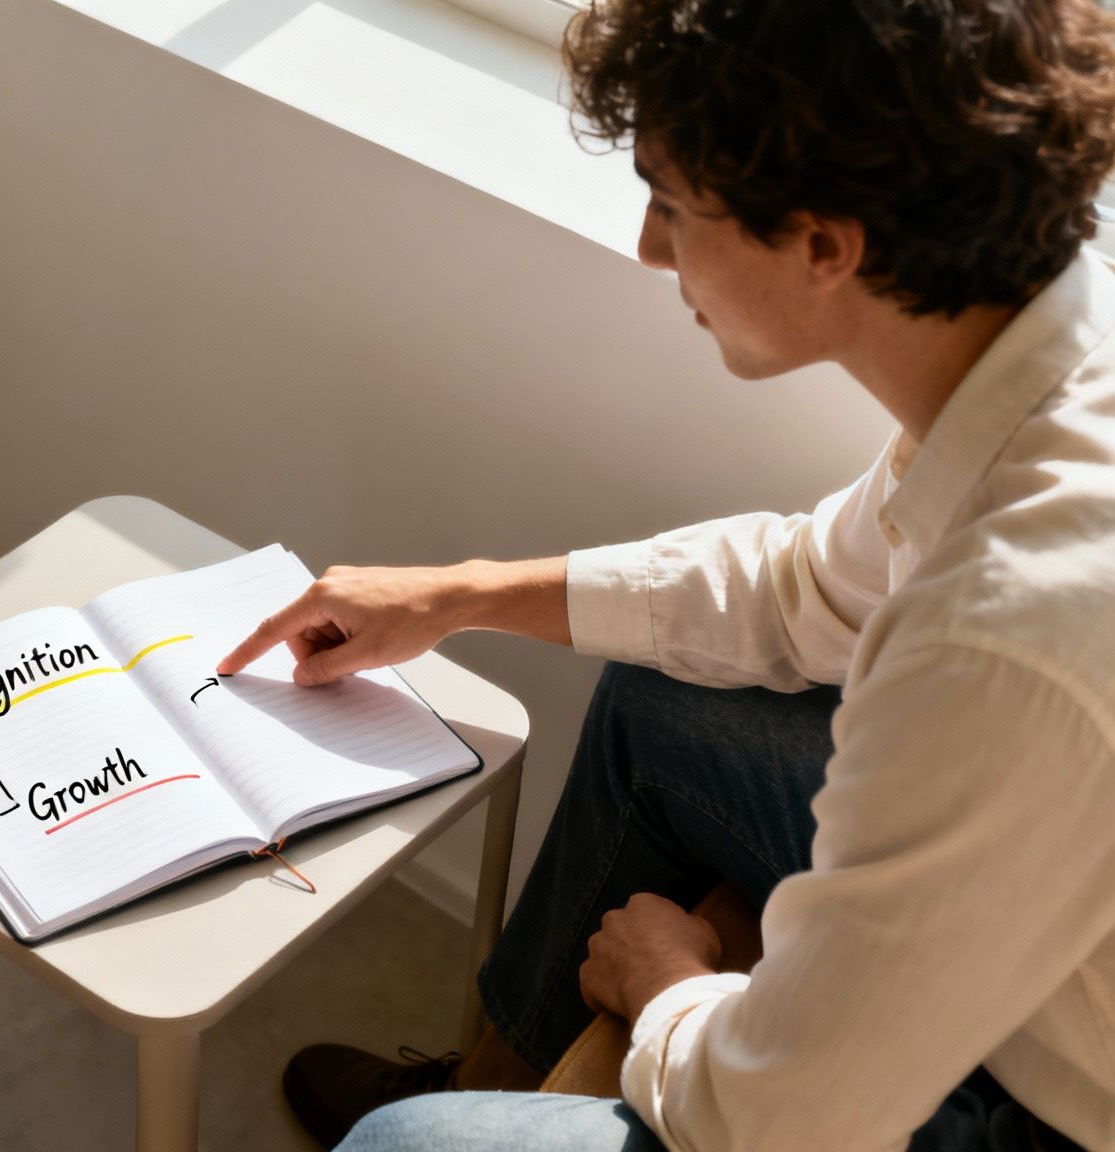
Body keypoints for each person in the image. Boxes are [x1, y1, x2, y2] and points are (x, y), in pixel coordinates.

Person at [216, 0, 1115, 1145]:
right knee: (657, 700)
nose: (648, 247)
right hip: (1052, 926)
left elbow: (781, 1121)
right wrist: (458, 594)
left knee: (393, 1151)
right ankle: (485, 1080)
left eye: (670, 204)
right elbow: (800, 589)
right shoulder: (1037, 363)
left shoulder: (997, 632)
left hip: (1053, 1110)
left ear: (822, 244)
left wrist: (665, 984)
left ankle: (441, 1120)